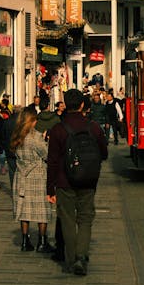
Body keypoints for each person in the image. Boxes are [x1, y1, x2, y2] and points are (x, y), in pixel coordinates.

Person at [47, 88, 108, 275]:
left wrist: (50, 188)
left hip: (65, 182)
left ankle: (71, 258)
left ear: (65, 105)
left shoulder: (58, 130)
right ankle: (81, 256)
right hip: (88, 181)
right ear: (82, 105)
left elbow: (53, 161)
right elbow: (104, 153)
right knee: (85, 219)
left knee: (67, 219)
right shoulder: (94, 127)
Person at [10, 107, 55, 253]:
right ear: (31, 121)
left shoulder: (17, 136)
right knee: (42, 210)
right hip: (37, 175)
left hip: (21, 174)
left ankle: (25, 240)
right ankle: (42, 241)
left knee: (24, 209)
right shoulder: (35, 137)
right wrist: (46, 140)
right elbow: (47, 154)